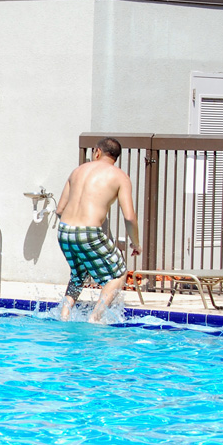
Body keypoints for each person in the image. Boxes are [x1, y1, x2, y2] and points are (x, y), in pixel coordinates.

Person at [53, 137, 141, 323]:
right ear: (115, 157)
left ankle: (64, 314)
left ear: (97, 152)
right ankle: (96, 316)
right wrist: (136, 243)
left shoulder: (77, 171)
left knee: (79, 273)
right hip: (89, 232)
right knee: (119, 273)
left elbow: (59, 210)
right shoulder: (120, 177)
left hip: (64, 231)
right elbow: (129, 217)